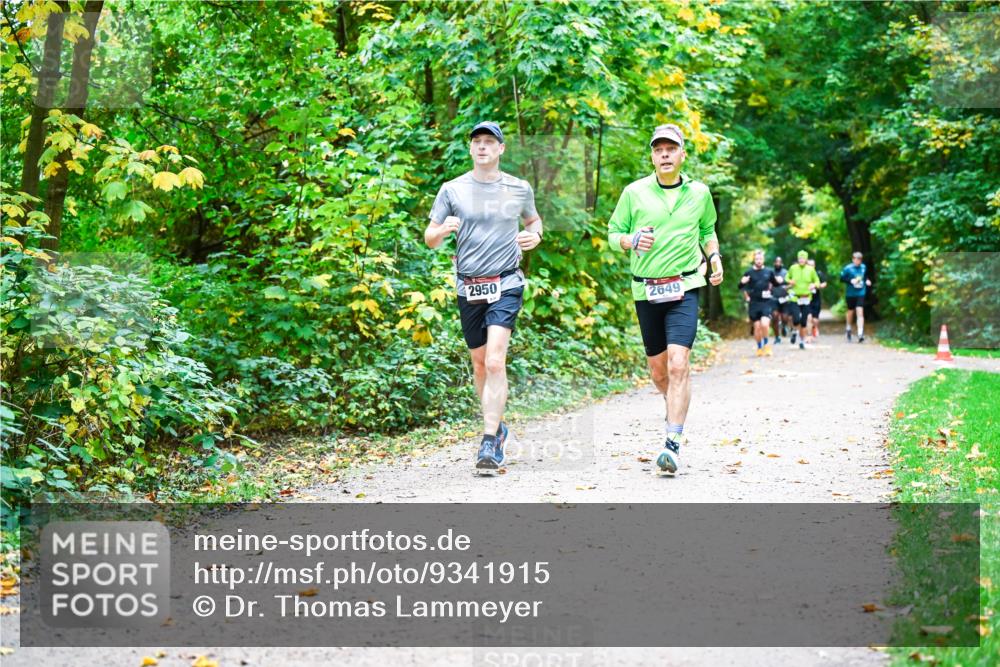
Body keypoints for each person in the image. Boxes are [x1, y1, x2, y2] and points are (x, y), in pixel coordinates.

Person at [424, 121, 543, 473]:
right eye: (476, 141)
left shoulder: (519, 188)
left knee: (494, 361)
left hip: (506, 282)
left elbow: (534, 223)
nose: (482, 147)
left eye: (489, 142)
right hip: (468, 285)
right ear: (470, 148)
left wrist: (534, 237)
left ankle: (489, 440)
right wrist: (443, 230)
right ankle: (499, 425)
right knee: (479, 363)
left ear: (501, 149)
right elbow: (430, 236)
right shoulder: (452, 189)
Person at [606, 123, 723, 475]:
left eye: (671, 149)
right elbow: (613, 233)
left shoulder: (700, 192)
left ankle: (672, 442)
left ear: (682, 154)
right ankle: (674, 404)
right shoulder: (634, 192)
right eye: (659, 150)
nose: (665, 154)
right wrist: (630, 240)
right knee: (659, 373)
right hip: (646, 289)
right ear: (653, 156)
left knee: (677, 364)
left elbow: (707, 231)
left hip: (685, 286)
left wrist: (714, 258)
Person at [739, 249, 782, 356]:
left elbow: (776, 284)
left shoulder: (769, 271)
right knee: (757, 327)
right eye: (757, 259)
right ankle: (759, 347)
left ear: (763, 260)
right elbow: (740, 287)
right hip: (754, 303)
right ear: (754, 259)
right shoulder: (749, 272)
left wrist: (780, 280)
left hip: (766, 302)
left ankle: (766, 345)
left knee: (765, 323)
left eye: (760, 259)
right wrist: (742, 282)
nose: (758, 261)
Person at [785, 250, 820, 350]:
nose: (801, 260)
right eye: (800, 258)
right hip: (795, 297)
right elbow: (786, 277)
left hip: (806, 298)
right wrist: (790, 281)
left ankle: (801, 341)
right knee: (796, 319)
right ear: (798, 259)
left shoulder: (811, 270)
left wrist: (814, 285)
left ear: (806, 259)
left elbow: (817, 280)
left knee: (804, 321)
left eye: (803, 258)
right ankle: (795, 331)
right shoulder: (793, 268)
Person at [840, 251, 871, 342]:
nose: (858, 261)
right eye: (856, 259)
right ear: (853, 259)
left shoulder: (863, 267)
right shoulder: (848, 268)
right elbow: (842, 278)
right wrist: (850, 281)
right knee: (850, 311)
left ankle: (860, 333)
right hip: (850, 293)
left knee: (860, 311)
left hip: (860, 292)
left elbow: (865, 277)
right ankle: (848, 328)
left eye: (860, 259)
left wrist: (867, 281)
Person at [770, 256, 791, 344]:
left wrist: (787, 287)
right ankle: (777, 337)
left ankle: (784, 326)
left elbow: (792, 283)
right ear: (774, 263)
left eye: (779, 262)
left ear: (782, 263)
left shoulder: (786, 272)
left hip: (784, 298)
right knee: (774, 317)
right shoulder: (771, 273)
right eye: (776, 262)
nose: (778, 264)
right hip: (774, 298)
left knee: (785, 318)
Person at [806, 258, 828, 341]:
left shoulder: (818, 274)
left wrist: (816, 285)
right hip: (807, 298)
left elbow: (824, 283)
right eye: (809, 265)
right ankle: (809, 335)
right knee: (809, 317)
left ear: (814, 266)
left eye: (812, 265)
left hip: (816, 299)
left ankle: (814, 327)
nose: (811, 266)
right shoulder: (804, 274)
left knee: (815, 320)